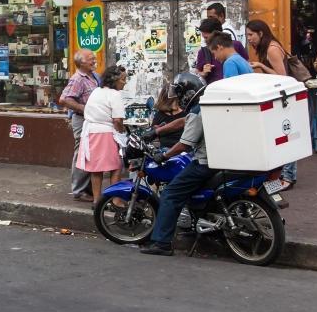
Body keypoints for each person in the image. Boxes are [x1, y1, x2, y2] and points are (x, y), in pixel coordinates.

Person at [140, 73, 210, 256]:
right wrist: (157, 132)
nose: (177, 98)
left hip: (204, 163)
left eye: (179, 94)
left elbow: (184, 144)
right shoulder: (206, 105)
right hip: (218, 161)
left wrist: (164, 157)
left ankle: (162, 243)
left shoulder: (197, 112)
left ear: (187, 94)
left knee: (170, 194)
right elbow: (183, 121)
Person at [245, 19, 299, 189]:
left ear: (261, 33)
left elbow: (283, 77)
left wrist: (261, 65)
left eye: (251, 35)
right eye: (247, 35)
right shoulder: (269, 47)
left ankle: (288, 177)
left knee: (286, 134)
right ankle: (283, 176)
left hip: (285, 98)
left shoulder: (272, 49)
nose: (249, 39)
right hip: (282, 97)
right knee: (283, 134)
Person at [76, 65, 128, 207]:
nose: (125, 82)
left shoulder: (96, 91)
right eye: (123, 79)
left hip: (91, 133)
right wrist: (122, 133)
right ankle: (116, 200)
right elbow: (117, 120)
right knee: (116, 167)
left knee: (96, 169)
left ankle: (97, 200)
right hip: (106, 134)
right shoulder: (115, 95)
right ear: (115, 80)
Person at [58, 49, 100, 201]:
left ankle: (88, 188)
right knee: (82, 154)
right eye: (91, 58)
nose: (94, 59)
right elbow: (64, 99)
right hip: (82, 120)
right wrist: (86, 109)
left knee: (90, 154)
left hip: (92, 121)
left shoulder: (94, 76)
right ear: (81, 62)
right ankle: (79, 191)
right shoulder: (78, 79)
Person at [193, 18, 248, 83]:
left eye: (206, 38)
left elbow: (246, 66)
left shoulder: (235, 47)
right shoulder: (203, 52)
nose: (205, 41)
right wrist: (203, 73)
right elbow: (196, 73)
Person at [148, 82, 186, 148]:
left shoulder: (185, 113)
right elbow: (152, 134)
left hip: (179, 152)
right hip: (167, 152)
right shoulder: (160, 114)